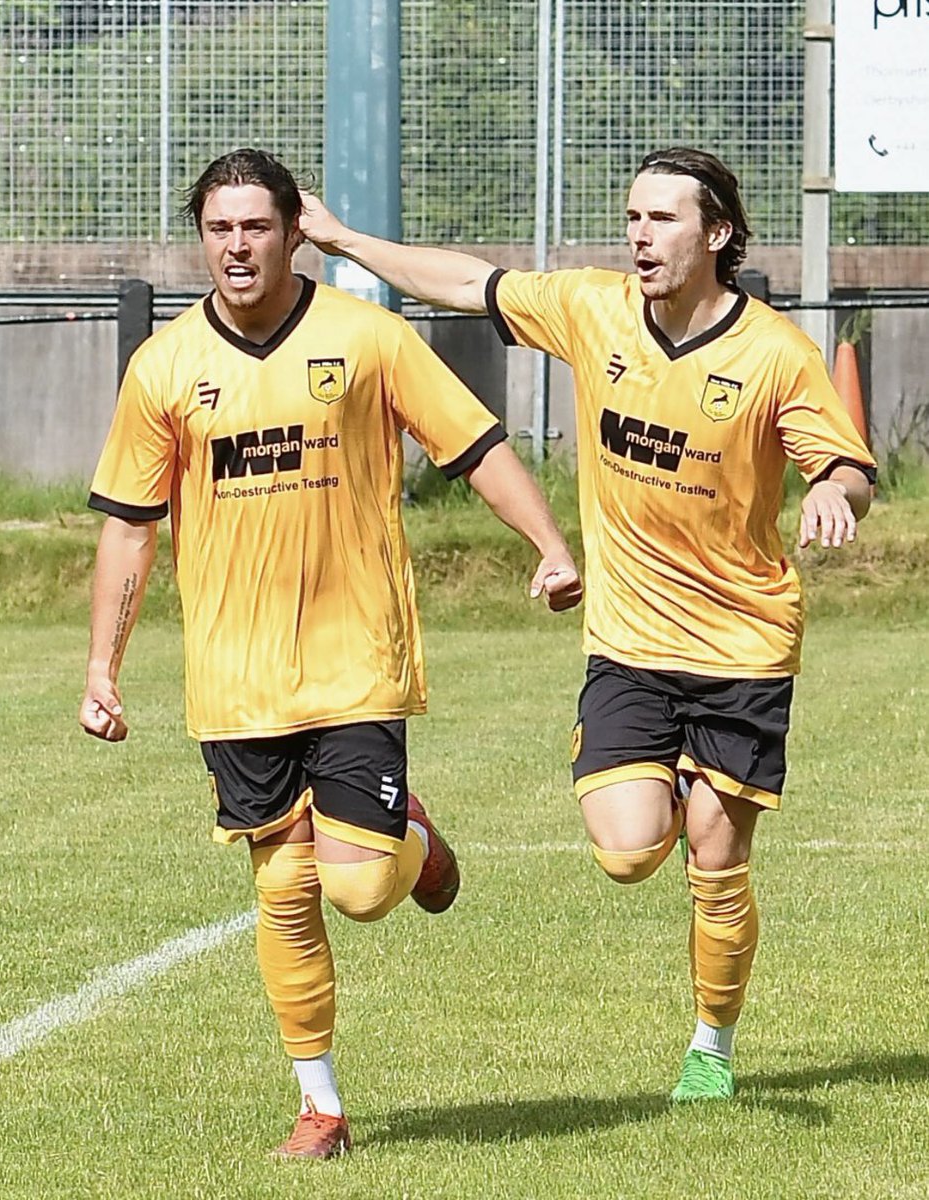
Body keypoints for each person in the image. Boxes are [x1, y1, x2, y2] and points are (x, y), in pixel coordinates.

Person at [299, 146, 876, 1103]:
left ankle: (711, 1047)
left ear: (716, 234)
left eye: (661, 220)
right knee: (625, 852)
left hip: (744, 645)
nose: (639, 236)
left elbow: (847, 463)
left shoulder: (773, 353)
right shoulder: (592, 308)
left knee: (719, 859)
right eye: (632, 218)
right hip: (628, 644)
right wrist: (346, 239)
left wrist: (832, 491)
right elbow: (466, 284)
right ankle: (661, 796)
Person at [79, 148, 581, 1158]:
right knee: (281, 890)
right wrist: (103, 666)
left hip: (354, 653)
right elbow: (129, 527)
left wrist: (550, 545)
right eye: (218, 229)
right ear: (201, 238)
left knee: (353, 888)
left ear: (291, 229)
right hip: (235, 676)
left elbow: (473, 446)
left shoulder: (366, 338)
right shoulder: (165, 368)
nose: (236, 246)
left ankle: (416, 845)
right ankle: (321, 1107)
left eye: (255, 226)